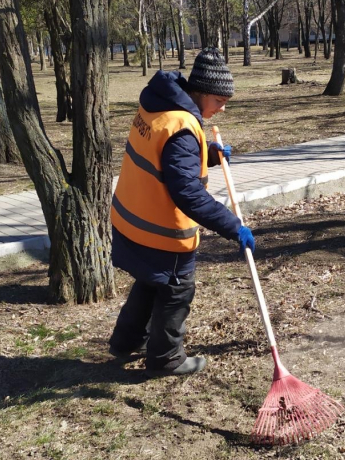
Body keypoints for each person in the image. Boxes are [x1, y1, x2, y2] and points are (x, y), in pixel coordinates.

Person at [108, 48, 256, 377]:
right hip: (163, 230)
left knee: (151, 281)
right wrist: (234, 227)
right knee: (176, 290)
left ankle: (125, 341)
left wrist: (209, 155)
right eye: (219, 101)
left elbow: (165, 159)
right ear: (200, 93)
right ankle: (166, 359)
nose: (221, 108)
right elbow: (187, 192)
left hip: (131, 219)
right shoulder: (183, 128)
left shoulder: (159, 105)